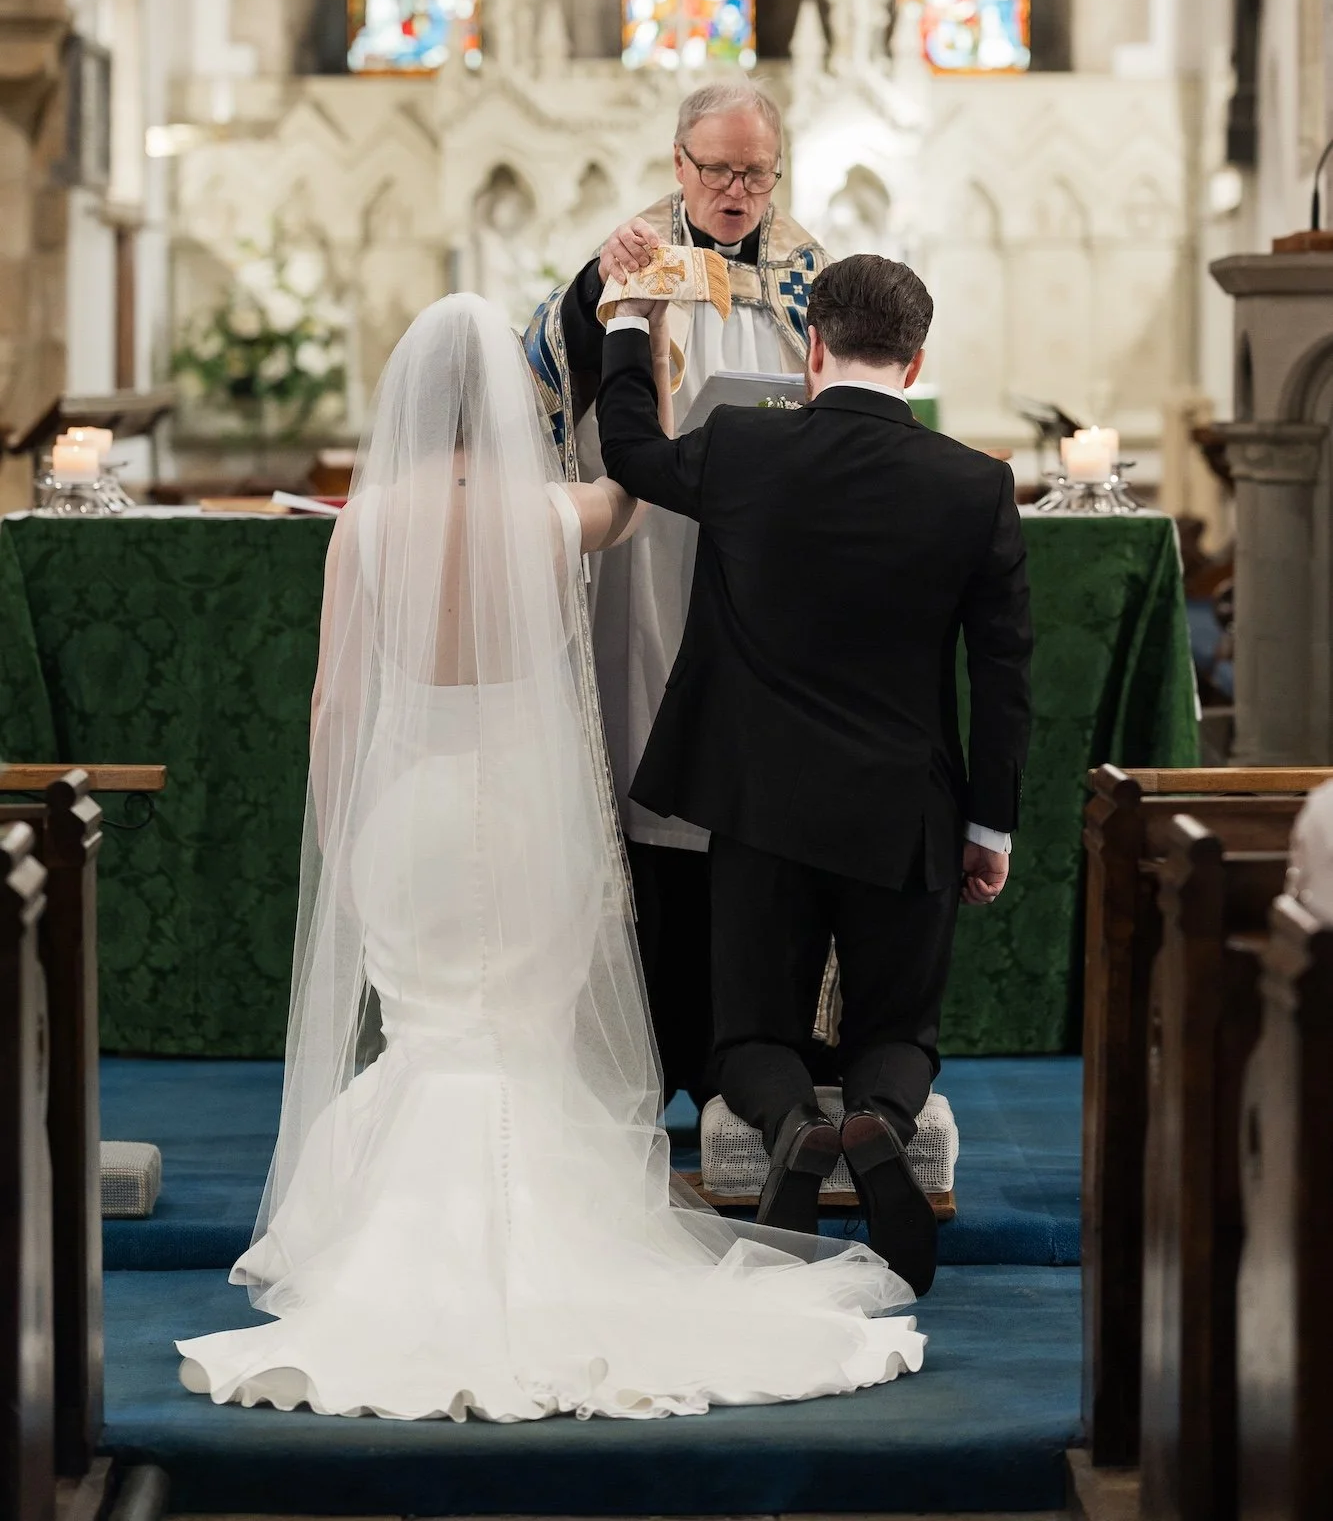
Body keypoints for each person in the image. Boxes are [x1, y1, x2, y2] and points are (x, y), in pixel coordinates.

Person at [176, 292, 923, 1421]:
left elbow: (336, 704)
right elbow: (639, 490)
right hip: (528, 815)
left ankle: (402, 1246)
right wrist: (654, 373)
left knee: (431, 1026)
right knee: (521, 1028)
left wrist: (350, 833)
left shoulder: (366, 523)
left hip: (411, 817)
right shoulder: (548, 511)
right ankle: (552, 1237)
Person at [597, 255, 1033, 1297]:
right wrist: (992, 829)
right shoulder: (975, 485)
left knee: (748, 1028)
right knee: (895, 1031)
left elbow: (630, 452)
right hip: (907, 812)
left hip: (761, 805)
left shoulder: (746, 447)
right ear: (916, 357)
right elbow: (1005, 672)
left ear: (812, 349)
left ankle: (795, 1121)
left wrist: (625, 326)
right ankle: (877, 1118)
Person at [524, 79, 829, 1104]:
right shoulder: (629, 258)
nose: (738, 190)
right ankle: (645, 1050)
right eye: (718, 169)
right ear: (678, 164)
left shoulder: (809, 276)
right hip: (647, 561)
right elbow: (541, 369)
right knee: (652, 760)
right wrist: (591, 297)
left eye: (756, 171)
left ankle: (756, 1053)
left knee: (752, 788)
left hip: (768, 566)